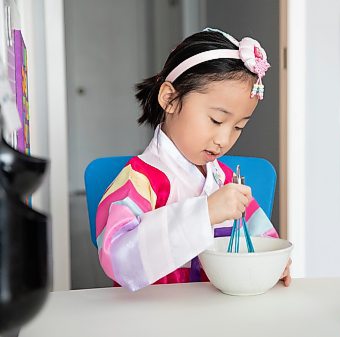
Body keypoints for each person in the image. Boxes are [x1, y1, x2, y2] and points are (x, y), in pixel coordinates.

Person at [95, 28, 291, 291]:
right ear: (170, 99)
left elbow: (261, 238)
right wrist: (205, 213)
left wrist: (274, 263)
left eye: (238, 127)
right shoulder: (141, 179)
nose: (224, 139)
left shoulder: (225, 179)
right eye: (216, 120)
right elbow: (118, 259)